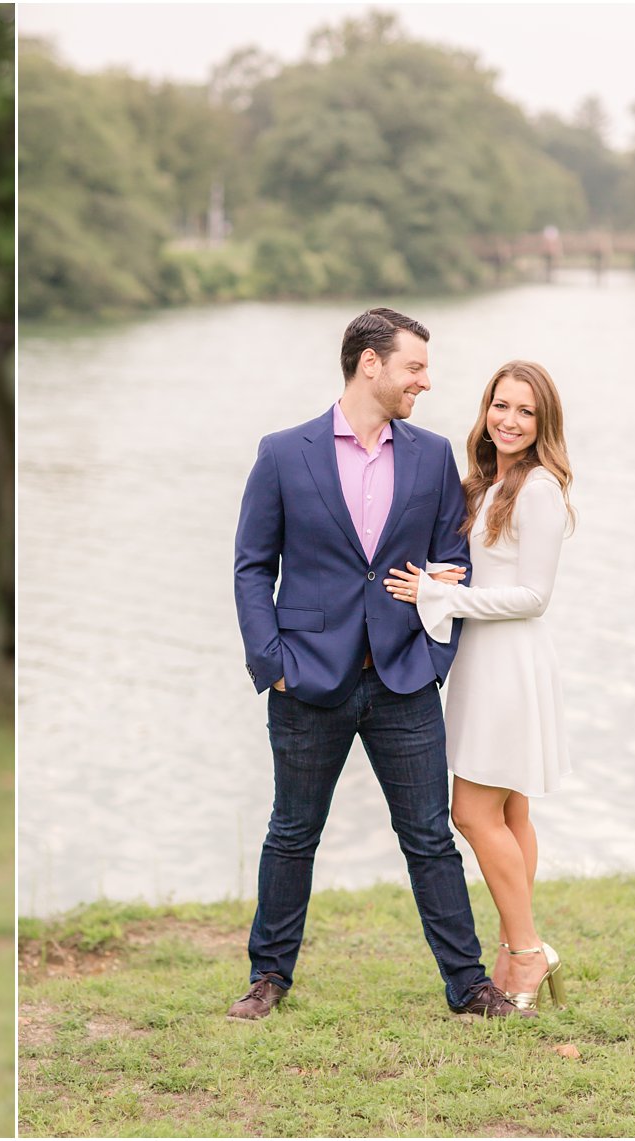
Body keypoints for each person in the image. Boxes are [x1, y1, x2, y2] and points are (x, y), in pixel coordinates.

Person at [230, 307, 533, 1021]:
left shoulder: (430, 457)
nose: (426, 382)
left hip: (403, 679)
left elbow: (452, 563)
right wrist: (270, 660)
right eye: (415, 367)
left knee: (429, 837)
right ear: (371, 364)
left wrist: (434, 655)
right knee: (292, 832)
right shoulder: (282, 452)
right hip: (305, 679)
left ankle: (468, 986)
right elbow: (251, 567)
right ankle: (267, 977)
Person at [383, 360, 573, 1011]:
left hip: (509, 666)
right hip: (483, 661)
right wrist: (446, 577)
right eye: (501, 405)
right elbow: (488, 569)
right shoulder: (490, 483)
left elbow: (534, 595)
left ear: (543, 423)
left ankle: (525, 952)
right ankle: (515, 946)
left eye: (525, 411)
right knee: (510, 812)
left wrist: (444, 594)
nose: (510, 420)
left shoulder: (540, 488)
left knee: (470, 811)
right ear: (486, 409)